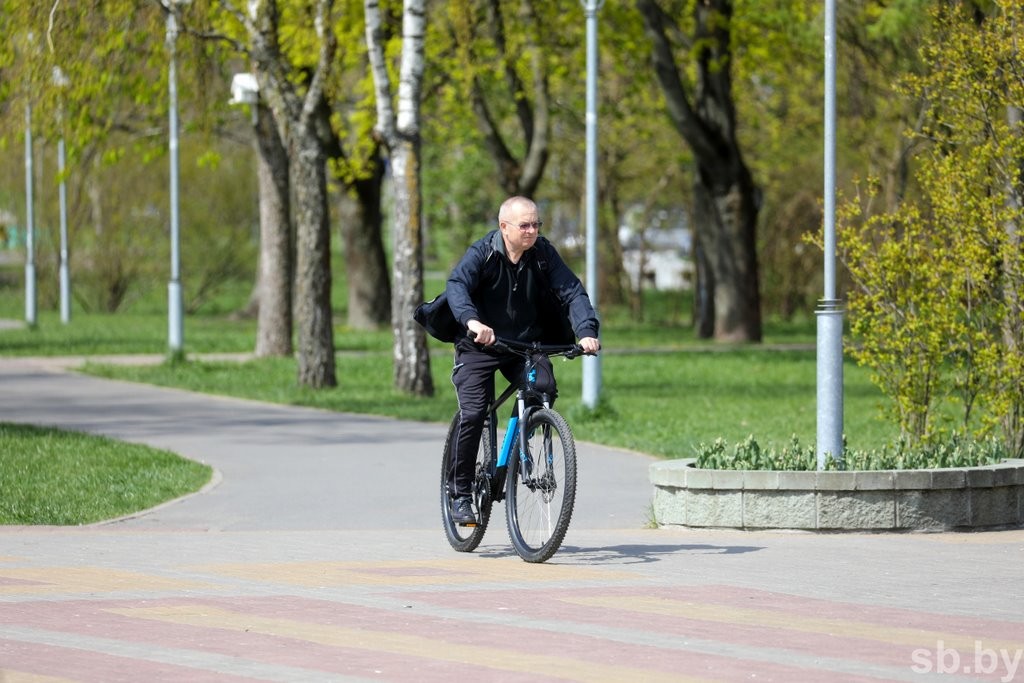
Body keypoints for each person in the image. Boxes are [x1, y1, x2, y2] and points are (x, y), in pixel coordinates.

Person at [444, 196, 601, 524]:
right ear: (504, 227)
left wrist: (586, 331)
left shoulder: (543, 253)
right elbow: (457, 286)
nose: (532, 231)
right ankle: (460, 493)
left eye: (536, 224)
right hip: (480, 345)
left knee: (543, 386)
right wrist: (473, 322)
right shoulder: (483, 253)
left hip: (525, 343)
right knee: (474, 412)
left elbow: (572, 291)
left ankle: (524, 433)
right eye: (524, 225)